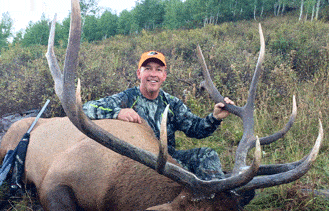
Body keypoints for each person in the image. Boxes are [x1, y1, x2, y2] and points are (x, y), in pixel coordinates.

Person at [83, 50, 235, 181]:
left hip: (169, 160)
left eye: (158, 70)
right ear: (139, 74)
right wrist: (118, 112)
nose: (153, 74)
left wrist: (215, 118)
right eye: (148, 69)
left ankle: (217, 197)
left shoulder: (172, 103)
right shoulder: (126, 98)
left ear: (164, 76)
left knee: (207, 154)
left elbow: (196, 129)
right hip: (137, 162)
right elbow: (86, 108)